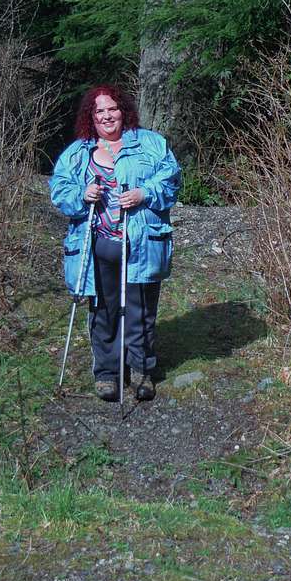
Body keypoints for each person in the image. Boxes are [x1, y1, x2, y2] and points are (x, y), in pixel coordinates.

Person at [49, 84, 181, 402]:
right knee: (103, 309)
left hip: (141, 244)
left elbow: (171, 179)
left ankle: (141, 370)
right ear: (90, 117)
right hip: (97, 246)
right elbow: (59, 190)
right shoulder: (78, 152)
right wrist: (81, 195)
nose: (107, 116)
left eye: (112, 109)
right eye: (100, 111)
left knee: (140, 311)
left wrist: (144, 193)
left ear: (123, 111)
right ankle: (107, 372)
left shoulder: (151, 144)